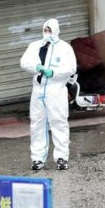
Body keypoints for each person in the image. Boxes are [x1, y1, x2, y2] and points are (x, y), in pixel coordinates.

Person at [20, 19, 77, 170]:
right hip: (38, 91)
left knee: (59, 123)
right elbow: (24, 62)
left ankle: (62, 158)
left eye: (50, 30)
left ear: (56, 31)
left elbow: (71, 68)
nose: (47, 33)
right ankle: (37, 159)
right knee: (37, 124)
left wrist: (54, 72)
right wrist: (37, 67)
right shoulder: (35, 46)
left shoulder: (65, 48)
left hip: (56, 91)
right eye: (45, 30)